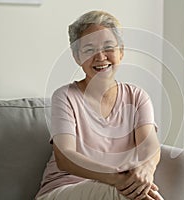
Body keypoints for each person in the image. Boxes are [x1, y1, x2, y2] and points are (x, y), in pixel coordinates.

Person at [35, 10, 163, 200]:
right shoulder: (65, 97)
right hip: (63, 190)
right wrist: (117, 178)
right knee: (131, 193)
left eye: (108, 47)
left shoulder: (137, 97)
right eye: (89, 49)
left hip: (116, 188)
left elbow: (149, 146)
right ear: (77, 57)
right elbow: (65, 157)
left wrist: (146, 170)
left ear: (121, 52)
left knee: (138, 191)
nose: (100, 56)